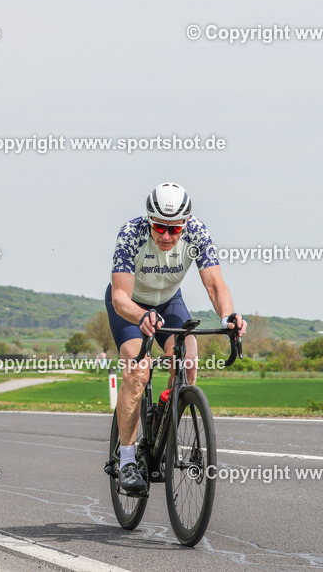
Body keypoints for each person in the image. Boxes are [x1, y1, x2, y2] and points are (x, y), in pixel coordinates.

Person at [106, 182, 246, 493]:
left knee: (189, 362)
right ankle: (128, 460)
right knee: (137, 369)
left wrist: (228, 317)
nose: (167, 236)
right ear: (149, 220)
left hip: (169, 301)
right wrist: (141, 316)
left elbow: (215, 286)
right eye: (160, 227)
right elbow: (119, 297)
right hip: (131, 306)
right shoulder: (131, 233)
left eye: (175, 229)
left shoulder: (196, 232)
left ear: (185, 224)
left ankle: (162, 421)